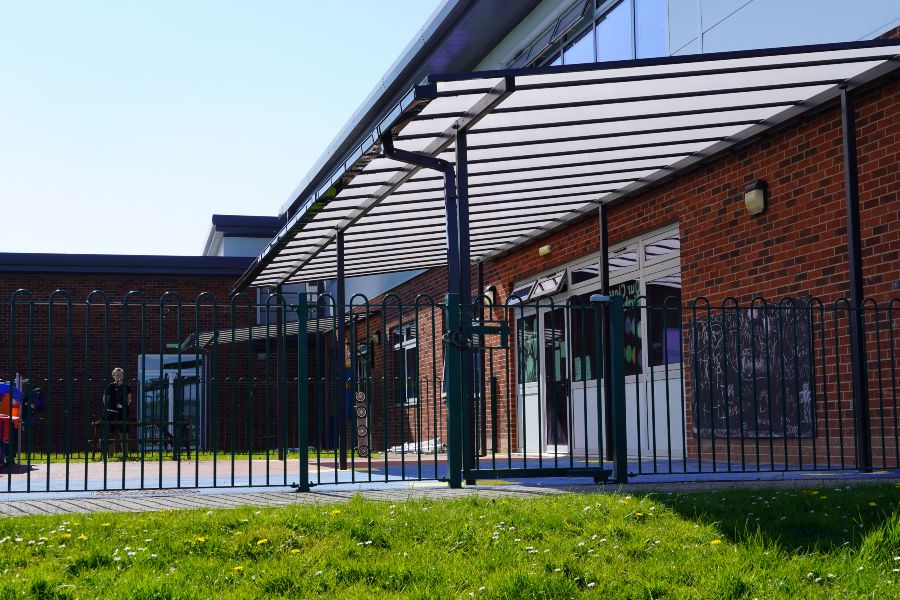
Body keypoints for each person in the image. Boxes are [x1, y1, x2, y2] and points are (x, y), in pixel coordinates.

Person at [103, 368, 132, 458]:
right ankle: (110, 456)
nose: (119, 376)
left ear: (122, 375)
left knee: (124, 434)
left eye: (120, 374)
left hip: (123, 413)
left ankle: (125, 455)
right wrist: (110, 407)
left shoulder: (127, 387)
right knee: (111, 434)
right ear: (113, 375)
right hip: (111, 412)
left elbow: (129, 400)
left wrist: (123, 408)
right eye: (117, 374)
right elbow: (105, 399)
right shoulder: (109, 386)